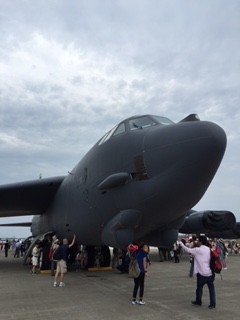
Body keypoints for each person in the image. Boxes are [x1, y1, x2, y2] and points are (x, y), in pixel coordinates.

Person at [179, 235, 216, 309]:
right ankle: (213, 303)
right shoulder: (208, 249)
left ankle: (198, 301)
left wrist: (181, 244)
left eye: (198, 240)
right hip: (209, 272)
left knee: (199, 288)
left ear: (201, 242)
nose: (197, 241)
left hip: (201, 273)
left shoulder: (198, 250)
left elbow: (187, 250)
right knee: (211, 290)